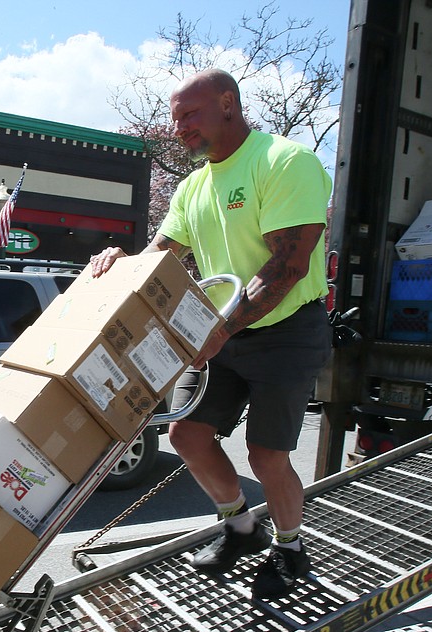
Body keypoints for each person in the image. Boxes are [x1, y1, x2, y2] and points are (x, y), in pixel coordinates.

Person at [89, 68, 332, 599]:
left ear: (228, 103)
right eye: (175, 120)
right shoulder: (193, 187)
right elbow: (160, 260)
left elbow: (286, 267)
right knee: (187, 436)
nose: (180, 129)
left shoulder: (285, 162)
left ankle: (291, 549)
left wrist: (220, 330)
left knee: (267, 456)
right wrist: (120, 261)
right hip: (223, 327)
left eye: (190, 115)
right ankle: (243, 528)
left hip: (288, 328)